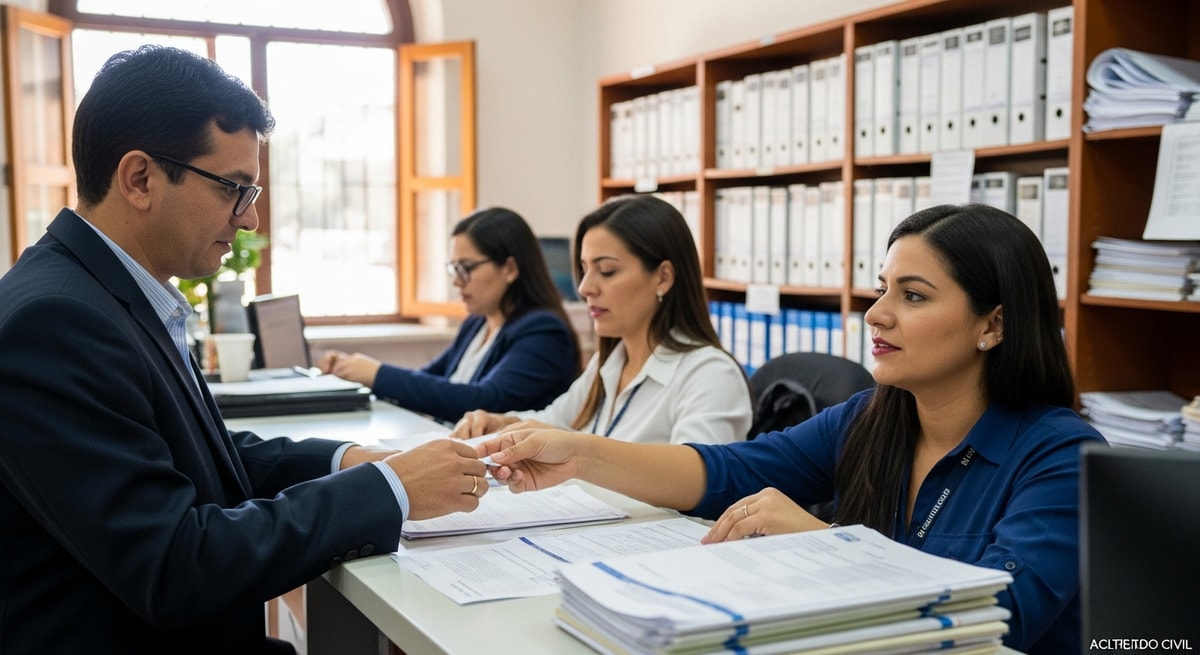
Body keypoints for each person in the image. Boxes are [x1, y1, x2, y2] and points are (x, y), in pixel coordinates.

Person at [0, 45, 489, 654]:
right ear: (140, 178)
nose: (250, 219)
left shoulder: (101, 293)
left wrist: (349, 460)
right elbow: (176, 565)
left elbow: (194, 458)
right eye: (234, 188)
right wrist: (389, 488)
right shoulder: (56, 319)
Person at [479, 204, 1106, 655]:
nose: (877, 313)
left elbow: (1006, 616)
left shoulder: (1061, 454)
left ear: (992, 324)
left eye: (913, 296)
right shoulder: (872, 416)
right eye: (882, 288)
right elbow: (730, 471)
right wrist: (580, 455)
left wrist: (826, 542)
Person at [452, 194, 752, 445]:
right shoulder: (609, 361)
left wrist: (581, 454)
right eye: (584, 269)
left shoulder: (710, 375)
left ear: (662, 277)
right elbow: (555, 420)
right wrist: (500, 423)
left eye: (606, 271)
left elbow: (697, 478)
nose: (585, 288)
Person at [317, 207, 581, 423]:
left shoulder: (544, 332)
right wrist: (355, 370)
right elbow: (431, 380)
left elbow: (483, 401)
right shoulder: (478, 322)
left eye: (466, 268)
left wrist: (376, 373)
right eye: (454, 269)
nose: (457, 282)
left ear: (510, 268)